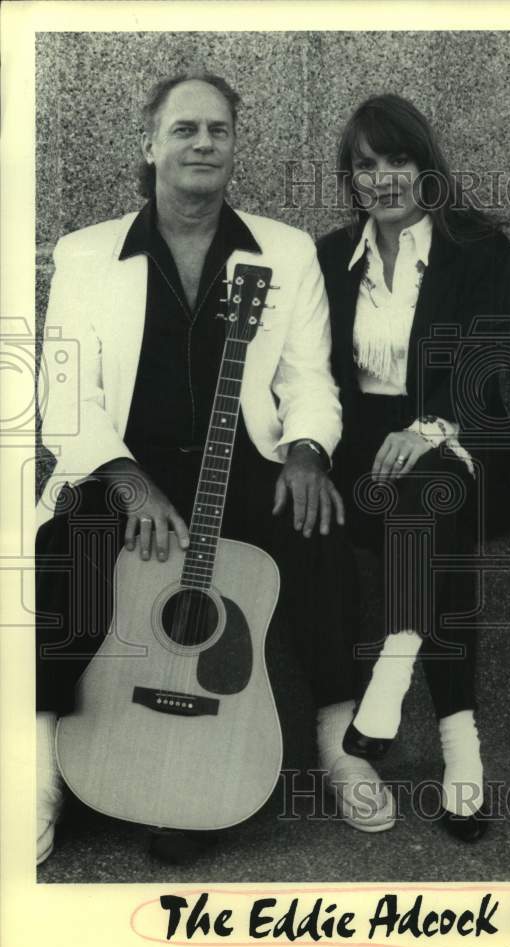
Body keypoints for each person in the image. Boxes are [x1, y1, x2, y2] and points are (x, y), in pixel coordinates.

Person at [35, 72, 396, 865]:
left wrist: (306, 451)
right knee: (73, 543)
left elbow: (308, 378)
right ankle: (42, 762)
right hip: (125, 467)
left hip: (243, 463)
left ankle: (341, 740)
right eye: (185, 129)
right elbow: (63, 394)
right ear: (150, 144)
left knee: (317, 528)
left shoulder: (285, 250)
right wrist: (127, 482)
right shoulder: (87, 255)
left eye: (218, 131)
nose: (203, 143)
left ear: (236, 145)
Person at [316, 94, 510, 843]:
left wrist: (427, 427)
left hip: (459, 435)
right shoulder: (330, 256)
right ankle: (462, 754)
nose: (384, 178)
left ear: (424, 164)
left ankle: (394, 673)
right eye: (366, 165)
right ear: (350, 178)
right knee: (428, 525)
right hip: (360, 450)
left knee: (432, 494)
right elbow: (313, 372)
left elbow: (484, 363)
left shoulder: (476, 247)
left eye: (397, 159)